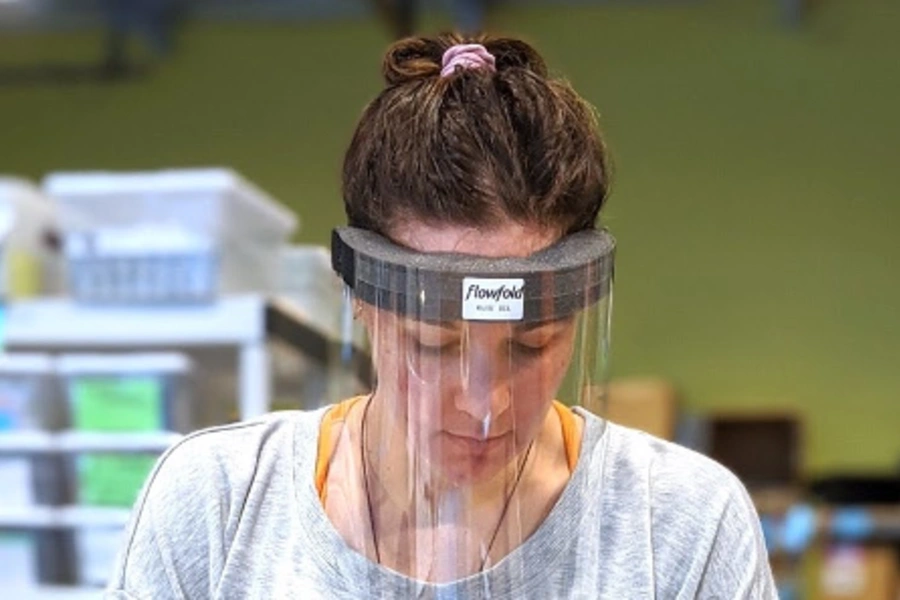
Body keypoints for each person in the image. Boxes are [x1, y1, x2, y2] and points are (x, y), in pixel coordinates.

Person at [105, 34, 777, 598]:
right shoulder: (219, 504)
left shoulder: (687, 524)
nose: (485, 404)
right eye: (431, 344)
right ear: (360, 300)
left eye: (532, 344)